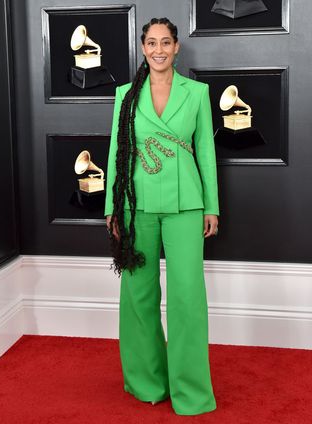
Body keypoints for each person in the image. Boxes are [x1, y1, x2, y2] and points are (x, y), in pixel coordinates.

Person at [104, 17, 219, 416]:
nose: (158, 49)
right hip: (137, 205)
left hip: (186, 204)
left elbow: (206, 150)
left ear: (176, 48)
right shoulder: (124, 95)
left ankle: (189, 391)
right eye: (151, 42)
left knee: (188, 298)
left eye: (165, 42)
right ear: (142, 47)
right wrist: (112, 207)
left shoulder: (198, 92)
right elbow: (116, 152)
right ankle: (147, 382)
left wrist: (212, 206)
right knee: (139, 295)